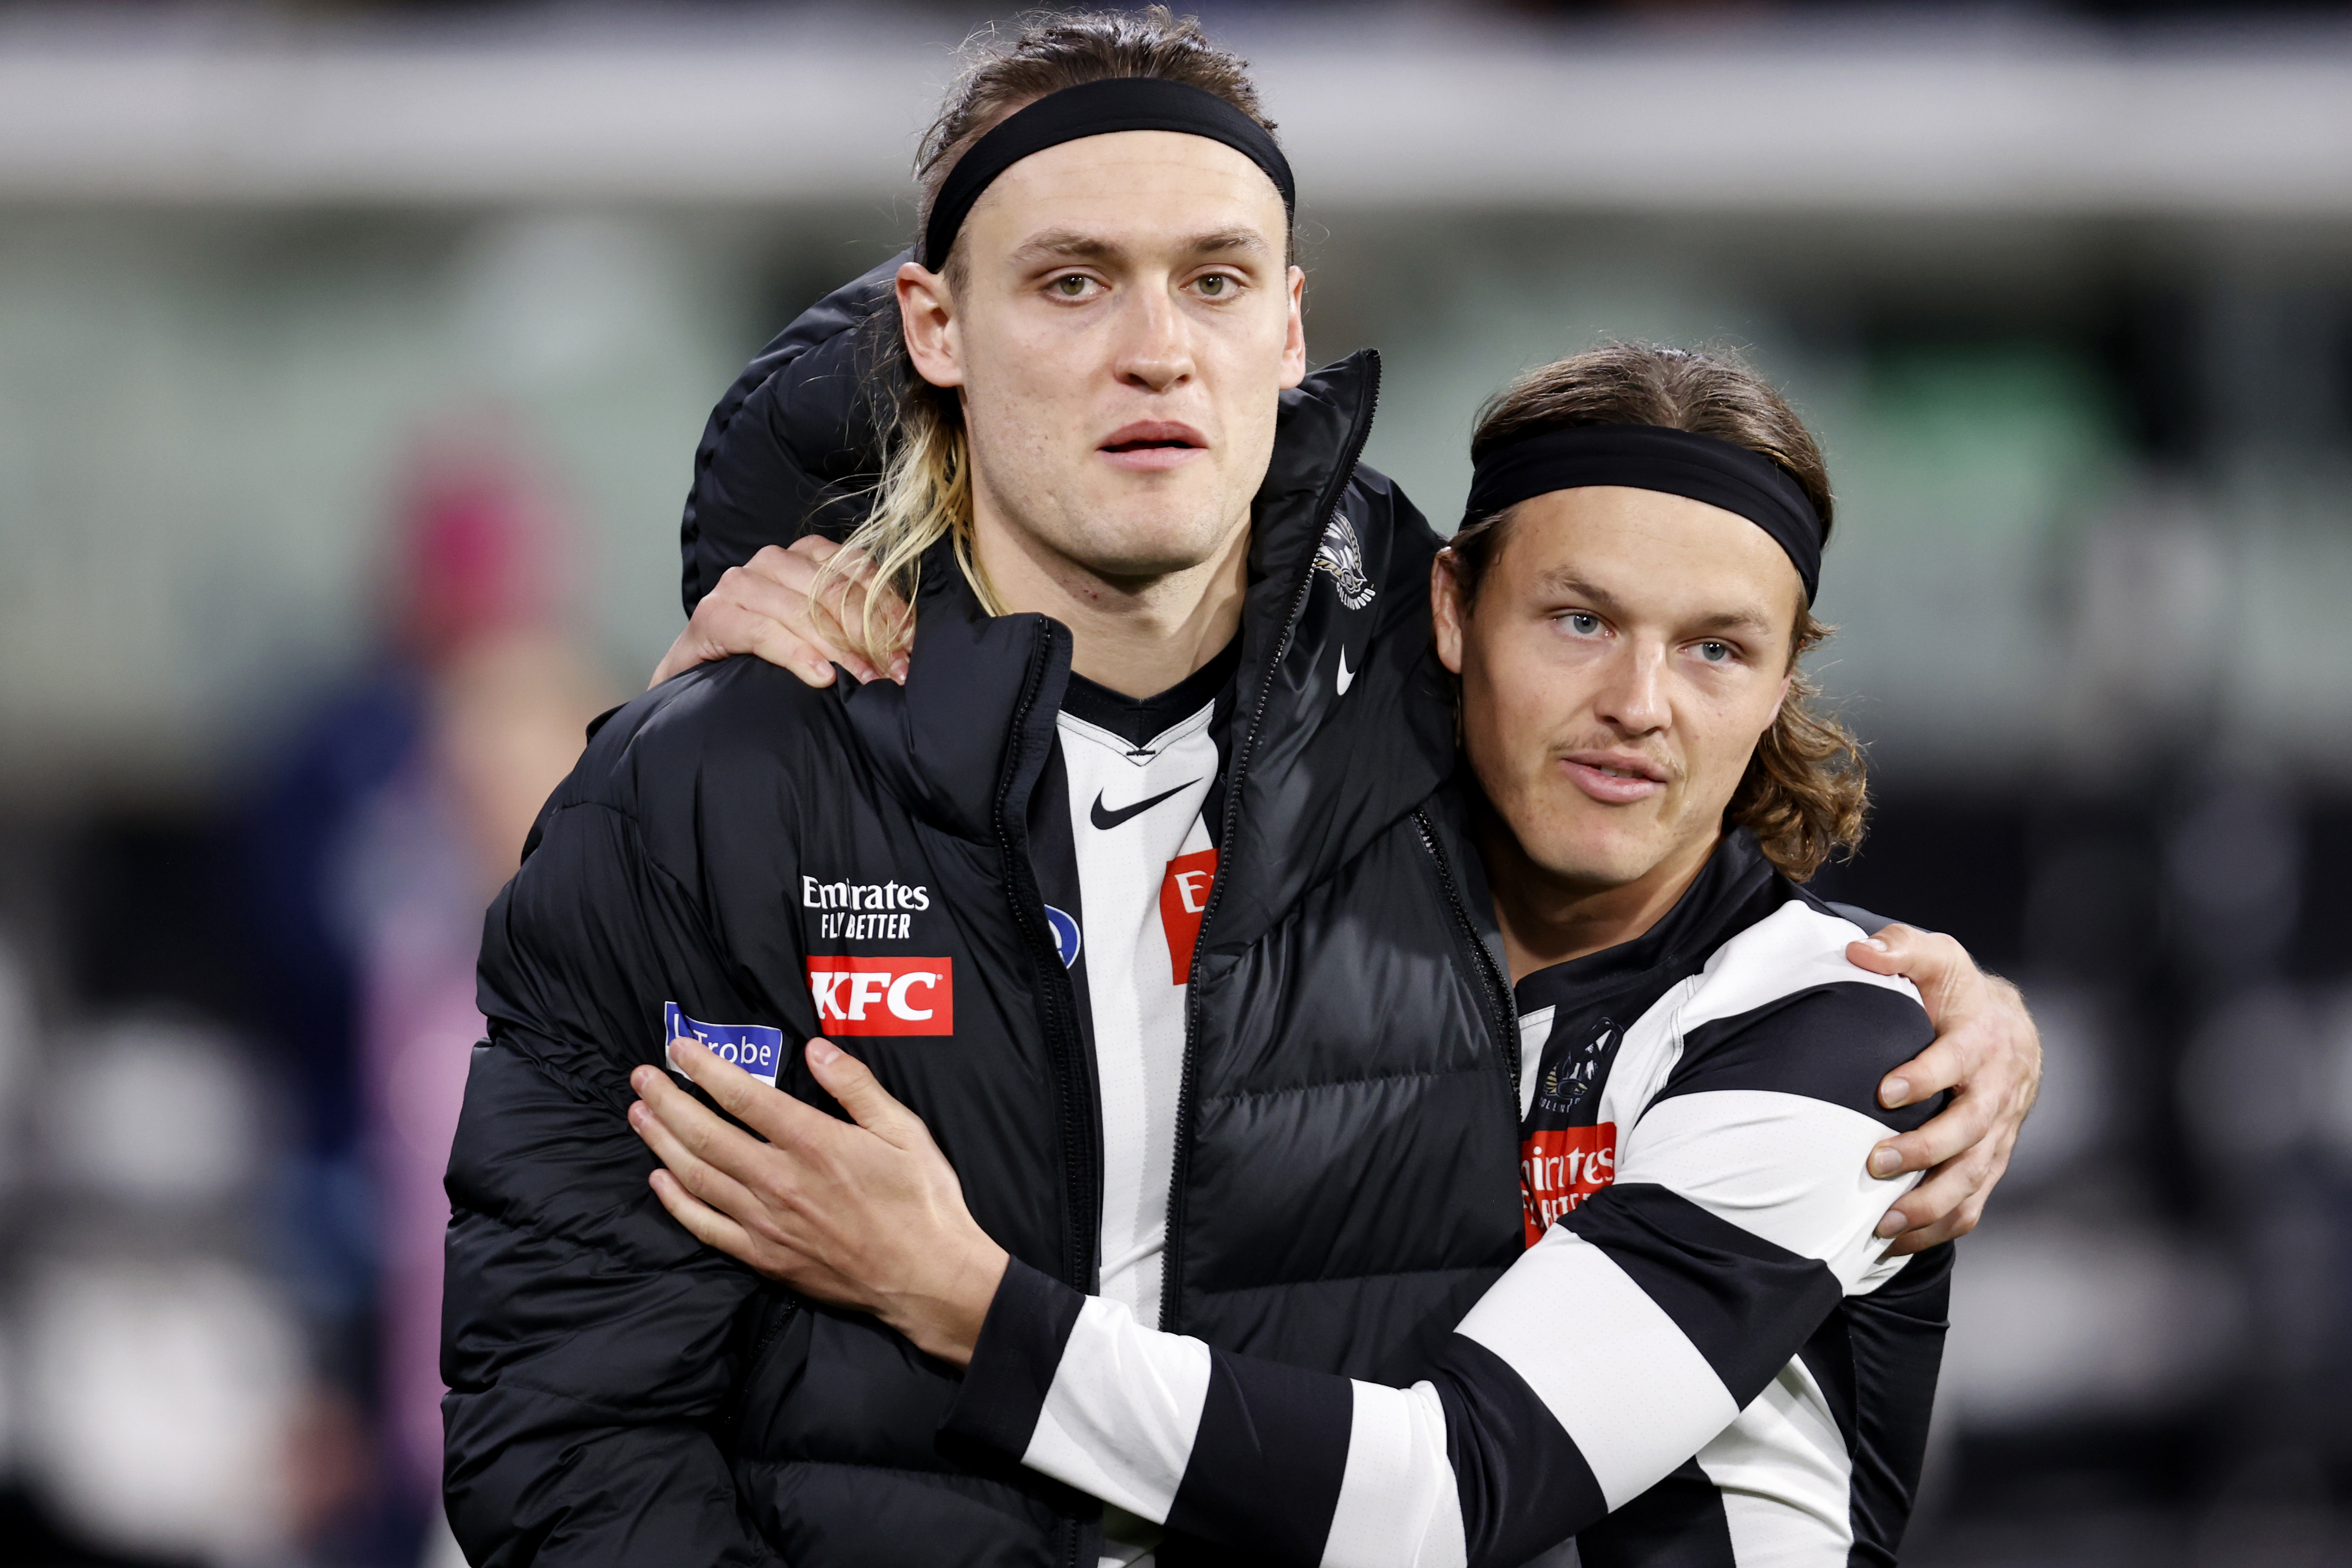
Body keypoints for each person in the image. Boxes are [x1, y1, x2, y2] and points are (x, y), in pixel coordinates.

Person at [443, 13, 2037, 1567]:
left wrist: (1950, 1004)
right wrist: (751, 561)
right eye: (1072, 282)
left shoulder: (1418, 714)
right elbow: (567, 1440)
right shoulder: (716, 779)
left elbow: (1450, 1488)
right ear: (932, 327)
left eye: (1211, 282)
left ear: (1286, 326)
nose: (1155, 349)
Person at [635, 343, 1956, 1567]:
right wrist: (719, 705)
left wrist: (962, 1298)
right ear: (1452, 608)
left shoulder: (1837, 1040)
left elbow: (1453, 1489)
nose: (1639, 704)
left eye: (1719, 650)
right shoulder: (1296, 925)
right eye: (1578, 620)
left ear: (1782, 687)